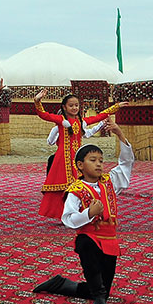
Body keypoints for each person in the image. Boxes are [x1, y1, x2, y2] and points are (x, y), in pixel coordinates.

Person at [32, 121, 134, 304]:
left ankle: (61, 285)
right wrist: (89, 213)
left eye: (101, 160)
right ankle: (99, 297)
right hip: (89, 238)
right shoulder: (76, 190)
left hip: (109, 239)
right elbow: (68, 218)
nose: (98, 164)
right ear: (80, 165)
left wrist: (121, 136)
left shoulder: (109, 182)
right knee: (90, 259)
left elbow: (126, 164)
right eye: (93, 160)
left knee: (102, 287)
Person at [33, 90, 125, 218]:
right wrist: (37, 101)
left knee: (82, 185)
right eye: (71, 105)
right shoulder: (61, 120)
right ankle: (62, 214)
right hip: (63, 159)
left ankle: (82, 212)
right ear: (64, 107)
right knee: (62, 188)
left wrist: (115, 107)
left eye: (76, 105)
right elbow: (44, 115)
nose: (74, 108)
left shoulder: (81, 122)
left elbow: (98, 116)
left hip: (78, 159)